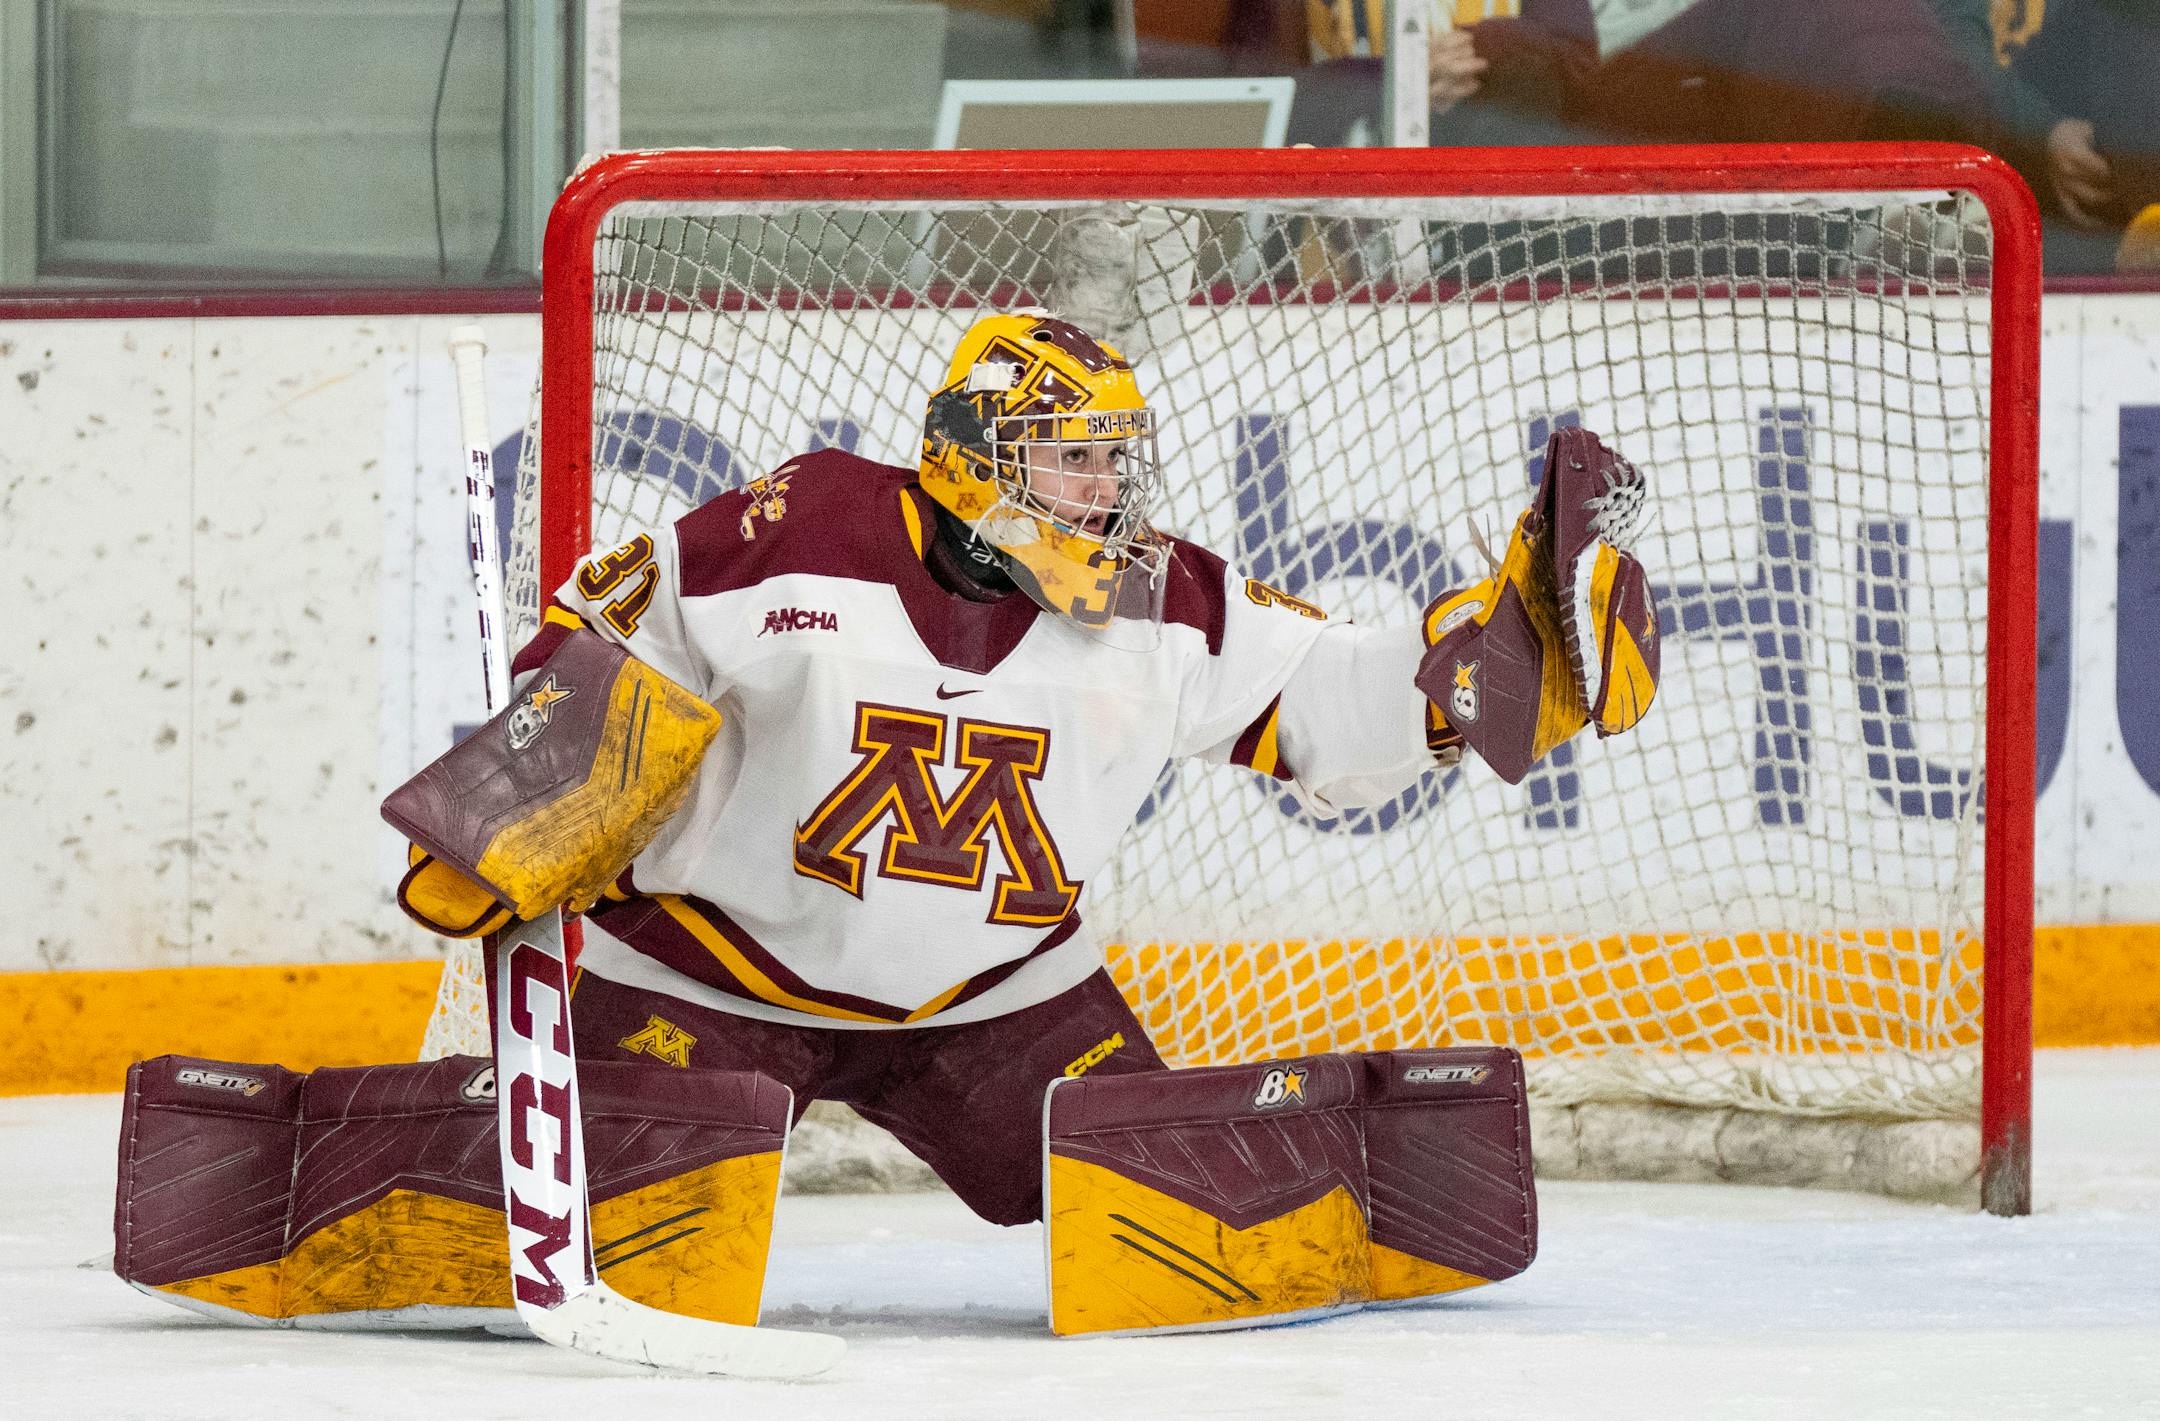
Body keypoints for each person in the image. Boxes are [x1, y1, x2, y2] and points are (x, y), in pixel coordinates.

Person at [119, 309, 1652, 1338]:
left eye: (1120, 454)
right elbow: (621, 627)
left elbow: (1325, 695)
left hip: (997, 1004)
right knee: (643, 1227)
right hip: (706, 979)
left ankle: (1392, 1173)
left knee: (1183, 1216)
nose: (1108, 487)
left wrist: (1485, 674)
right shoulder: (807, 527)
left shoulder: (1157, 596)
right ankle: (280, 1168)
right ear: (973, 454)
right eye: (1073, 453)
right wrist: (524, 793)